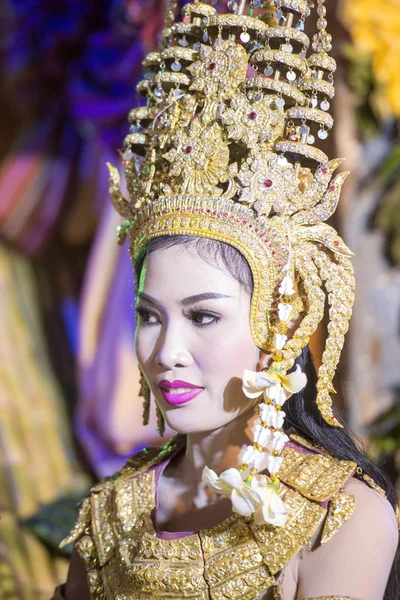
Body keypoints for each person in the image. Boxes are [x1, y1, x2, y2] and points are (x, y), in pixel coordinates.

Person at [53, 1, 400, 598]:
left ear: (281, 319)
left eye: (203, 316)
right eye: (149, 317)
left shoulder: (337, 520)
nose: (166, 353)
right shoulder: (110, 515)